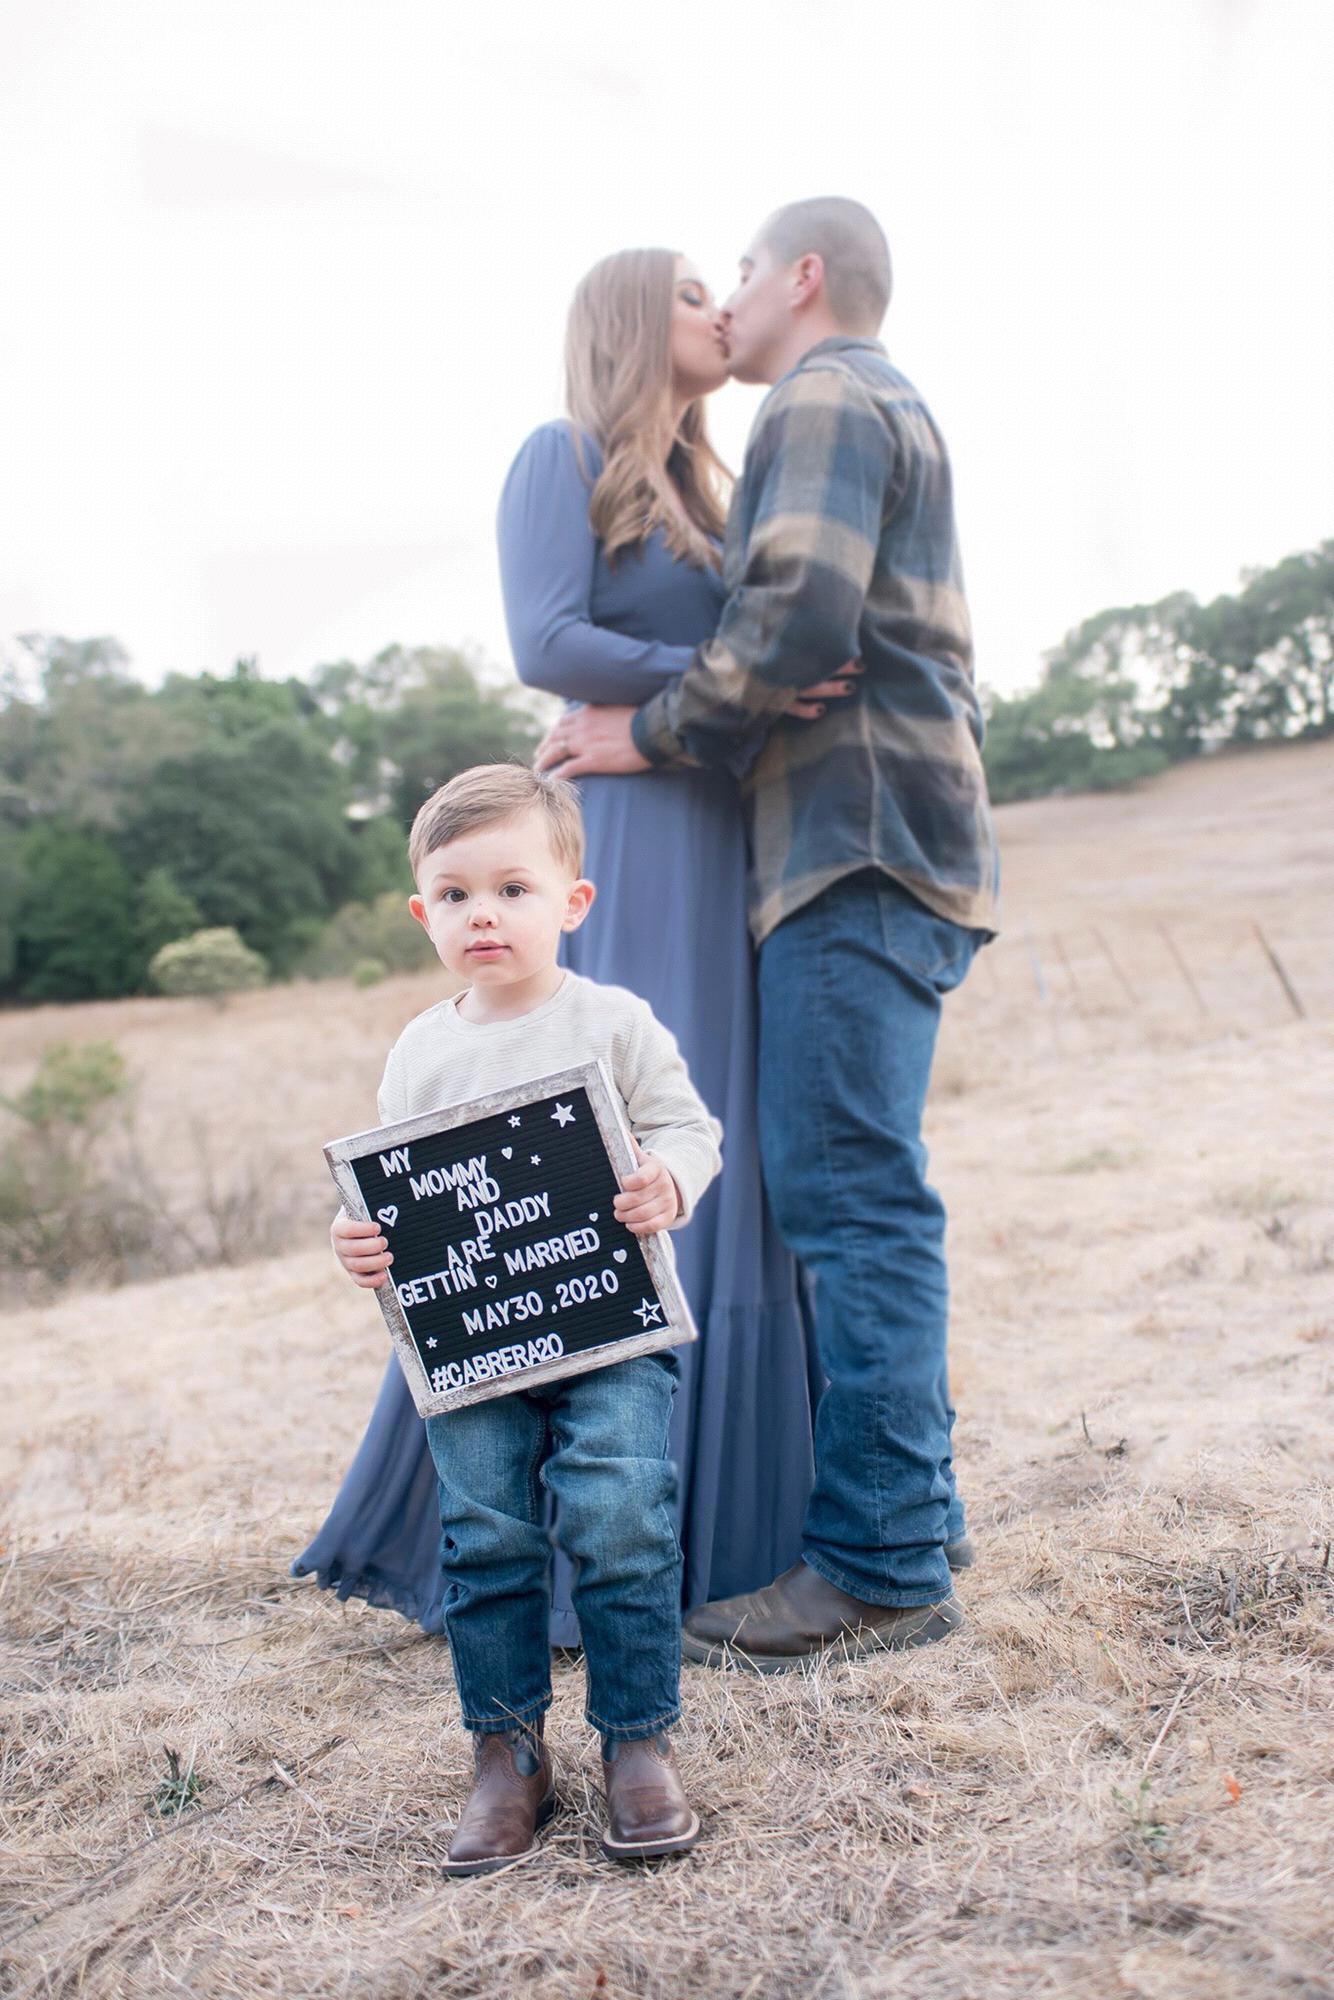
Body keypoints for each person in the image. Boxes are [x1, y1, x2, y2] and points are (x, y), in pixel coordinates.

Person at [296, 246, 836, 1644]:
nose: (719, 311)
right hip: (627, 832)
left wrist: (725, 695)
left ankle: (736, 1528)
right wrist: (732, 684)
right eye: (690, 293)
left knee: (705, 1142)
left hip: (724, 827)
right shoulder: (563, 455)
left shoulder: (716, 491)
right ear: (628, 321)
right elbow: (547, 640)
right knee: (579, 1138)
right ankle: (522, 1543)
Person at [537, 198, 1001, 1671]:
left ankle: (879, 1565)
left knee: (850, 1200)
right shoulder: (869, 399)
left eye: (736, 272)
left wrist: (645, 731)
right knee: (858, 1191)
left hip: (849, 841)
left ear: (803, 277)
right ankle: (915, 1518)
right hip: (890, 842)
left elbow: (795, 622)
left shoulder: (818, 395)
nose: (726, 302)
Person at [331, 763, 721, 1872]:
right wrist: (356, 1241)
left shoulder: (613, 1022)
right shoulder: (420, 1050)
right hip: (474, 1350)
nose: (483, 915)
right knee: (486, 1539)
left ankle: (637, 1741)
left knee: (621, 1517)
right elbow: (391, 1196)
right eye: (455, 895)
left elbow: (687, 1128)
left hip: (610, 1328)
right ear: (423, 916)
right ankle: (507, 1756)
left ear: (572, 902)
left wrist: (669, 1179)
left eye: (512, 889)